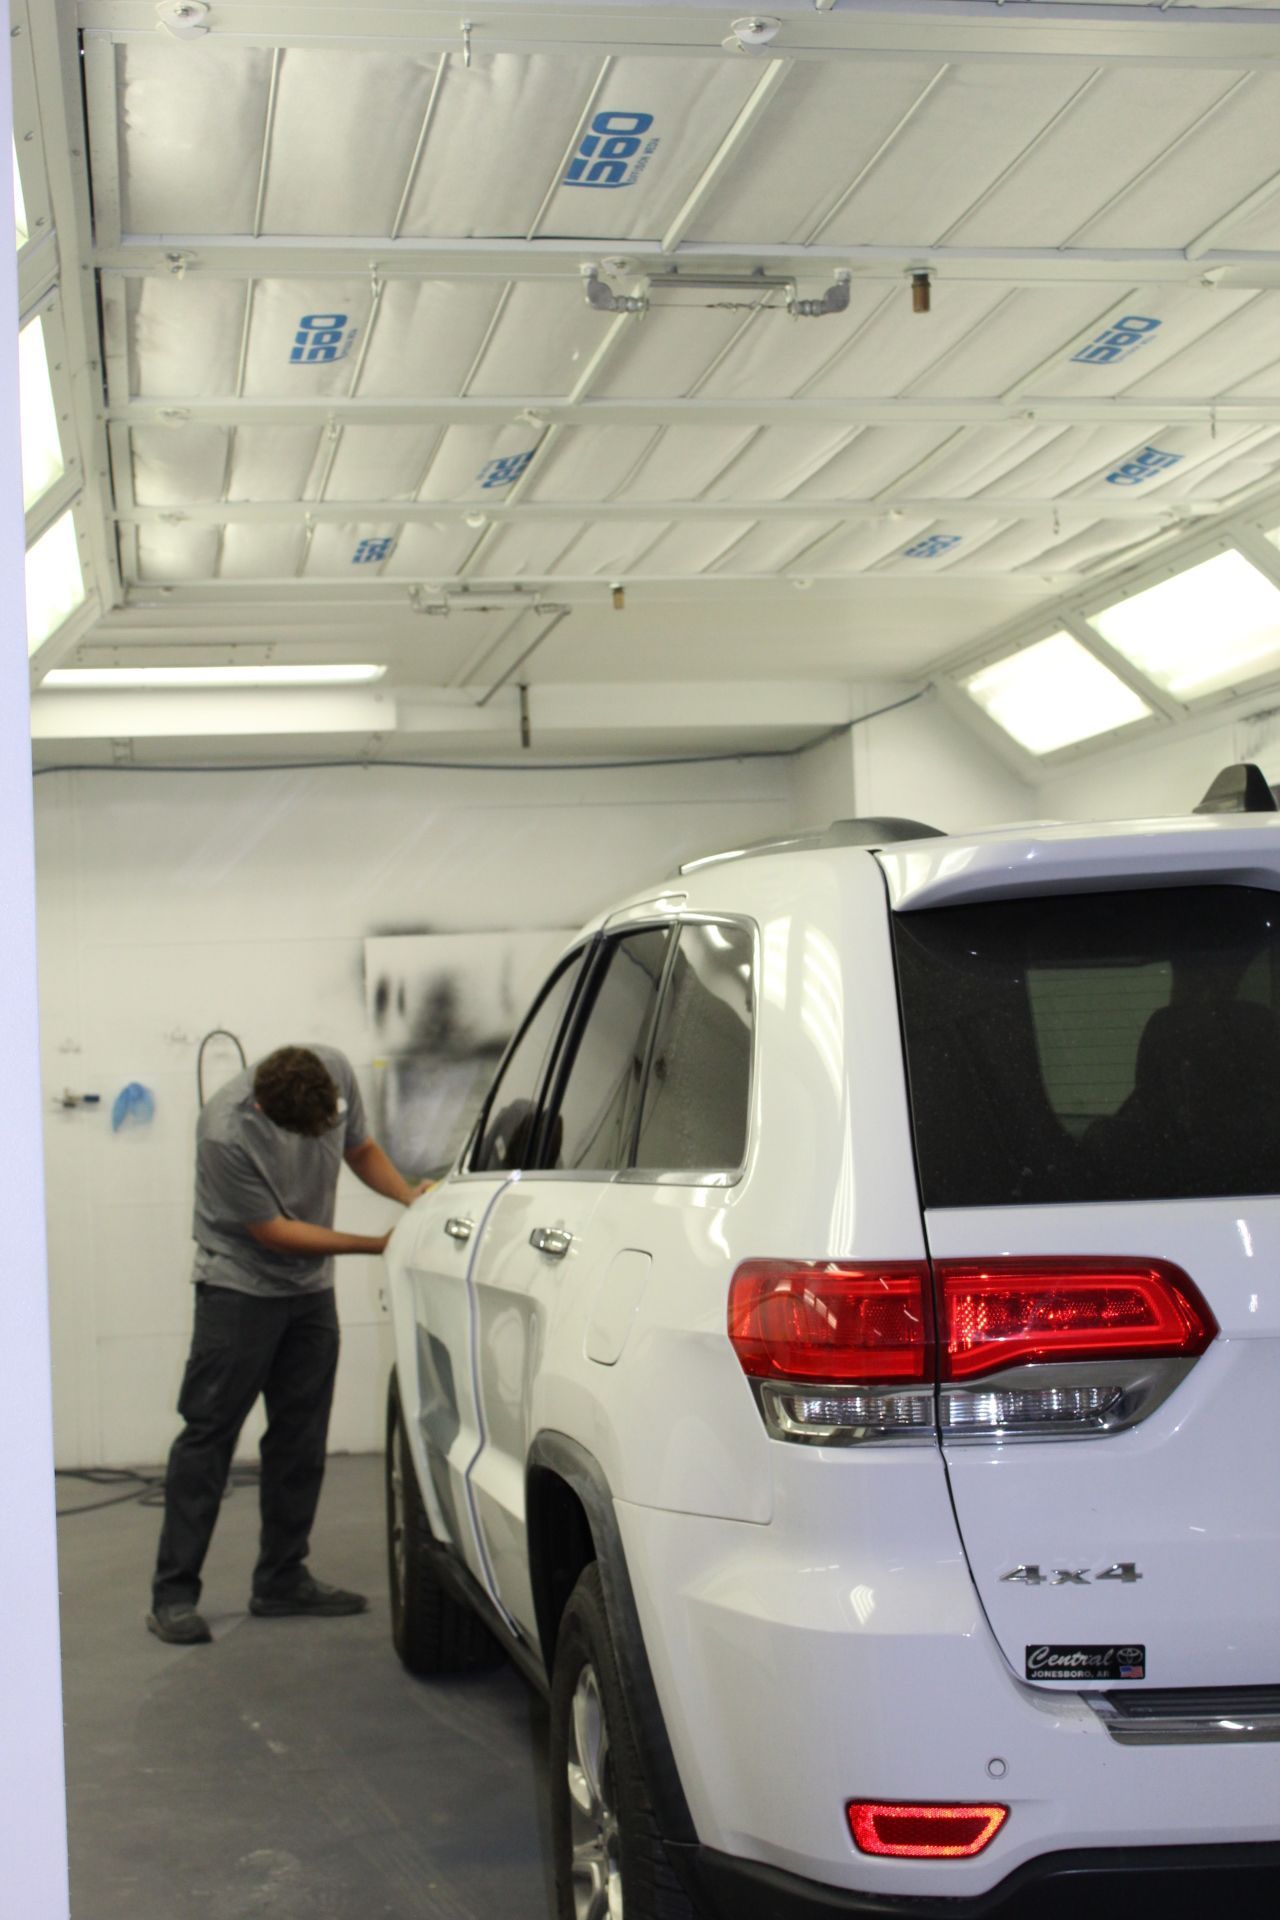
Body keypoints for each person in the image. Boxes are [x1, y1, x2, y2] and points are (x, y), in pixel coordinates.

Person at [147, 1044, 430, 1645]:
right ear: (265, 1111)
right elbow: (274, 1234)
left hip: (309, 1296)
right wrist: (377, 1245)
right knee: (208, 1437)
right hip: (238, 1290)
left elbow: (360, 1148)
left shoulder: (334, 1072)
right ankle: (173, 1594)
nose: (319, 1138)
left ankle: (281, 1578)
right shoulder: (225, 1133)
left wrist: (410, 1198)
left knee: (301, 1438)